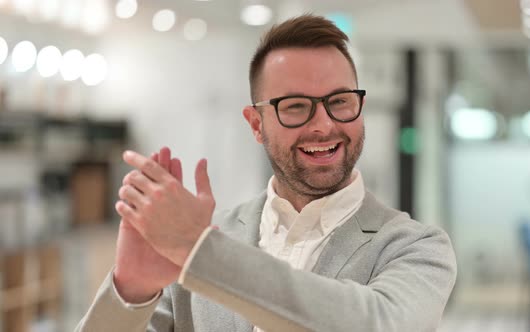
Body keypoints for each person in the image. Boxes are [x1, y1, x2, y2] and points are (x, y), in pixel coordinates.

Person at [76, 14, 456, 332]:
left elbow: (378, 324)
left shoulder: (416, 247)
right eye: (295, 106)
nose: (324, 125)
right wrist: (130, 291)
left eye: (340, 101)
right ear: (256, 123)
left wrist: (200, 251)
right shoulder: (205, 241)